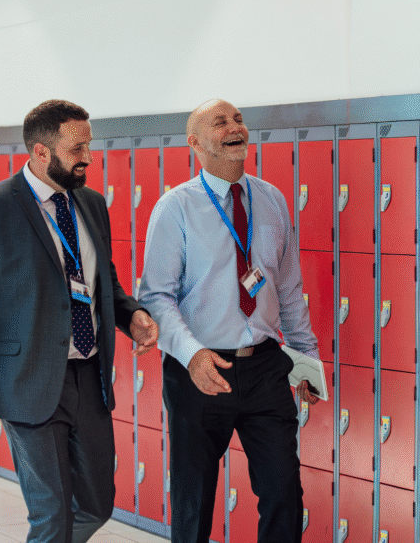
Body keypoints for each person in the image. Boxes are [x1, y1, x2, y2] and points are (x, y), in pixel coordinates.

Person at [0, 99, 159, 543]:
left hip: (89, 378)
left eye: (89, 146)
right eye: (77, 149)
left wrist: (131, 314)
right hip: (27, 381)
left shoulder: (92, 204)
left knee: (97, 506)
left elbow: (103, 281)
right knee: (52, 514)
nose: (88, 158)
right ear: (41, 152)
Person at [138, 99, 321, 543]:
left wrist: (306, 358)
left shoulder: (272, 199)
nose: (235, 127)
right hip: (200, 370)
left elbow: (288, 287)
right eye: (220, 122)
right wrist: (191, 355)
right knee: (194, 499)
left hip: (265, 368)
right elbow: (156, 297)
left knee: (283, 492)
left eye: (238, 119)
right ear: (196, 143)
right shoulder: (176, 207)